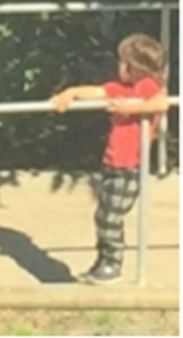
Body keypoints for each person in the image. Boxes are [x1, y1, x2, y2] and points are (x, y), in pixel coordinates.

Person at [51, 33, 168, 285]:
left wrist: (132, 108)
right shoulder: (121, 87)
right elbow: (98, 91)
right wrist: (70, 93)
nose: (118, 66)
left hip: (130, 167)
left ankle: (112, 263)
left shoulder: (145, 86)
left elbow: (161, 102)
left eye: (121, 62)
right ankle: (104, 260)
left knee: (109, 217)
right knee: (103, 215)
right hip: (113, 164)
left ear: (133, 67)